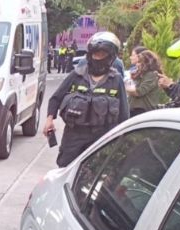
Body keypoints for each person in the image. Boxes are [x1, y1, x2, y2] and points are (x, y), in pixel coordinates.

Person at [44, 32, 129, 167]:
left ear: (110, 57)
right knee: (65, 166)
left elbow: (124, 113)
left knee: (95, 170)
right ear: (90, 54)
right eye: (96, 54)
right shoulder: (76, 75)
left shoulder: (116, 80)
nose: (98, 57)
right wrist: (49, 120)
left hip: (103, 136)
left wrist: (123, 138)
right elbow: (56, 98)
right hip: (74, 134)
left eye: (103, 54)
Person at [127, 48, 162, 115]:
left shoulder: (151, 75)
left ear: (147, 63)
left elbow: (139, 92)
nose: (137, 65)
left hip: (143, 111)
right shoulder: (140, 74)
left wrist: (124, 87)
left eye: (139, 62)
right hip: (133, 110)